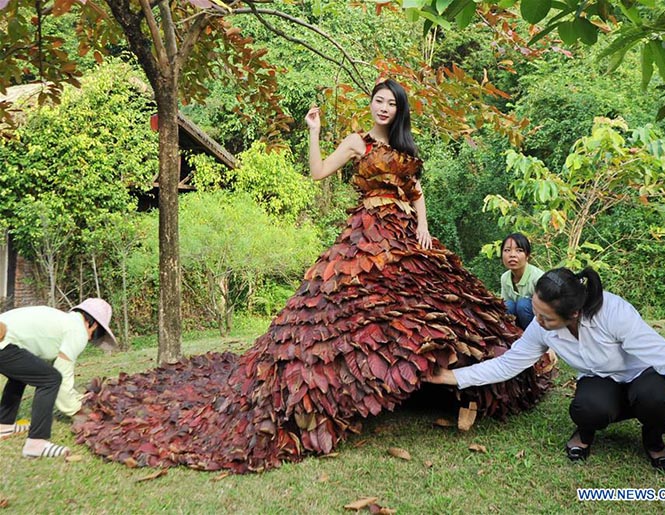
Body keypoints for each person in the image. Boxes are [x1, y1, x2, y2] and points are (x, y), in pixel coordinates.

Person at [73, 79, 552, 473]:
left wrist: (424, 225)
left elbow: (417, 190)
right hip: (368, 233)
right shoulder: (356, 142)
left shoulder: (405, 146)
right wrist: (314, 131)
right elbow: (319, 172)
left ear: (400, 109)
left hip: (409, 235)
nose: (384, 107)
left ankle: (462, 385)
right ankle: (355, 388)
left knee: (430, 309)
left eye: (392, 103)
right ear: (371, 105)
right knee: (351, 310)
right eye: (378, 100)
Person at [426, 267, 665, 471]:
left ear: (574, 314)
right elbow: (509, 363)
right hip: (601, 380)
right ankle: (585, 431)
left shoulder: (614, 313)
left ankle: (653, 442)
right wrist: (451, 376)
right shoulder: (541, 328)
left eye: (545, 317)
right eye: (535, 311)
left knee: (658, 399)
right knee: (586, 407)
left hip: (642, 378)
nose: (537, 321)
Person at [0, 298, 117, 458]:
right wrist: (77, 410)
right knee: (51, 379)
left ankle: (4, 425)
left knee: (23, 375)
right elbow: (62, 375)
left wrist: (78, 397)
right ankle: (36, 444)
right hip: (3, 339)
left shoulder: (65, 322)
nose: (90, 339)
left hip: (5, 339)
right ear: (94, 324)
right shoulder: (78, 330)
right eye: (96, 335)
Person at [499, 232, 544, 330]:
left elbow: (546, 310)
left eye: (519, 250)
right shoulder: (504, 278)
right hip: (518, 325)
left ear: (527, 255)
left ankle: (532, 338)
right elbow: (504, 307)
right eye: (507, 250)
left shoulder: (538, 277)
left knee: (523, 304)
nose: (512, 255)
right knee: (506, 306)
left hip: (540, 325)